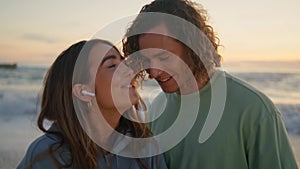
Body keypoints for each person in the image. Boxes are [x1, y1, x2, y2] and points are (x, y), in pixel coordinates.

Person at [122, 0, 299, 168]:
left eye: (163, 57)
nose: (153, 72)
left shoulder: (255, 110)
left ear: (193, 47)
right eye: (146, 60)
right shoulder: (156, 109)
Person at [17, 39, 167, 169]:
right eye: (112, 65)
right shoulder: (47, 156)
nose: (129, 71)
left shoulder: (145, 148)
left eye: (123, 63)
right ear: (83, 92)